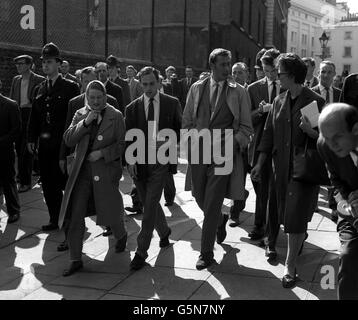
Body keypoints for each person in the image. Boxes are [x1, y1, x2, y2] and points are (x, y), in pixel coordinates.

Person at [251, 53, 325, 288]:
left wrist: (310, 131)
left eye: (280, 72)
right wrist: (261, 163)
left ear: (292, 75)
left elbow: (324, 140)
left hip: (302, 171)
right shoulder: (279, 101)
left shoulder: (314, 101)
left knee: (294, 218)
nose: (276, 76)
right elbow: (268, 135)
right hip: (279, 168)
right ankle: (275, 243)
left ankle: (290, 265)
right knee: (278, 209)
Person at [183, 48, 253, 270]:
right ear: (211, 66)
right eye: (222, 64)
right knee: (198, 194)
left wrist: (233, 143)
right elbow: (186, 121)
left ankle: (206, 253)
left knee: (212, 201)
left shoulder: (239, 92)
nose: (227, 68)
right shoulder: (196, 88)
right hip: (199, 151)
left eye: (228, 63)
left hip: (224, 154)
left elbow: (246, 127)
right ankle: (220, 219)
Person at [59, 80, 127, 276]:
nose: (95, 101)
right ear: (86, 97)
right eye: (92, 98)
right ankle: (75, 258)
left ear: (105, 97)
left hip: (105, 171)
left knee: (109, 210)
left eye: (99, 97)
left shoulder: (116, 115)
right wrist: (86, 122)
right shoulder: (80, 114)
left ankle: (121, 235)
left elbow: (122, 145)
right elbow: (68, 139)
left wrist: (103, 153)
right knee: (76, 215)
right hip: (81, 173)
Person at [125, 67, 182, 270]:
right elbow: (129, 136)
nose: (148, 88)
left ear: (159, 83)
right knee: (149, 200)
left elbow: (179, 128)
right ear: (141, 84)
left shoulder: (171, 103)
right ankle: (164, 231)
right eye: (145, 84)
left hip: (161, 159)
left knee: (149, 204)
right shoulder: (132, 108)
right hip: (140, 161)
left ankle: (141, 251)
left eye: (152, 83)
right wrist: (130, 161)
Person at [27, 42, 80, 231]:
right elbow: (34, 116)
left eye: (49, 62)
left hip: (63, 144)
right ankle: (54, 218)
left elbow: (75, 117)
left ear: (58, 63)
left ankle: (70, 219)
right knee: (48, 184)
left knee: (66, 183)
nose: (45, 66)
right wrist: (31, 138)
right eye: (43, 62)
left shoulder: (70, 87)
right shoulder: (39, 88)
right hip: (46, 145)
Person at [317, 103, 358, 299]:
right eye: (326, 137)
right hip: (352, 215)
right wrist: (348, 201)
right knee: (348, 257)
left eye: (337, 137)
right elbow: (335, 179)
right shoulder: (324, 145)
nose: (332, 145)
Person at [247, 48, 281, 247]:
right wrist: (260, 111)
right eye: (267, 71)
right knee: (260, 189)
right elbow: (247, 119)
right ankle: (258, 225)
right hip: (259, 144)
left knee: (275, 189)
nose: (271, 75)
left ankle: (273, 227)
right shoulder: (253, 88)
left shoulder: (286, 86)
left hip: (280, 145)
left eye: (274, 71)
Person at [10, 54, 45, 193]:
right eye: (17, 64)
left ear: (29, 65)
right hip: (18, 114)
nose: (18, 66)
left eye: (21, 63)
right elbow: (13, 99)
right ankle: (21, 177)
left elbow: (40, 101)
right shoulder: (15, 80)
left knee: (27, 150)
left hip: (31, 114)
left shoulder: (39, 79)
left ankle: (25, 182)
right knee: (18, 148)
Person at [312, 60, 342, 222]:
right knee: (316, 171)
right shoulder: (311, 92)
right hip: (316, 139)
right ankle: (313, 201)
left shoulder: (339, 94)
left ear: (334, 75)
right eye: (323, 71)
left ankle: (334, 207)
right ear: (318, 74)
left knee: (334, 173)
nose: (326, 75)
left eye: (329, 72)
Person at [229, 62, 251, 223]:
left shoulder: (250, 90)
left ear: (246, 74)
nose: (236, 76)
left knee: (240, 176)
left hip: (247, 141)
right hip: (230, 140)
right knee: (231, 177)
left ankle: (235, 210)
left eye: (239, 73)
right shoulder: (228, 90)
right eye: (234, 72)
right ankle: (236, 205)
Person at [0, 92, 21, 224]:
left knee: (8, 181)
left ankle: (13, 211)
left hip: (4, 151)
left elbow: (16, 130)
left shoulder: (10, 105)